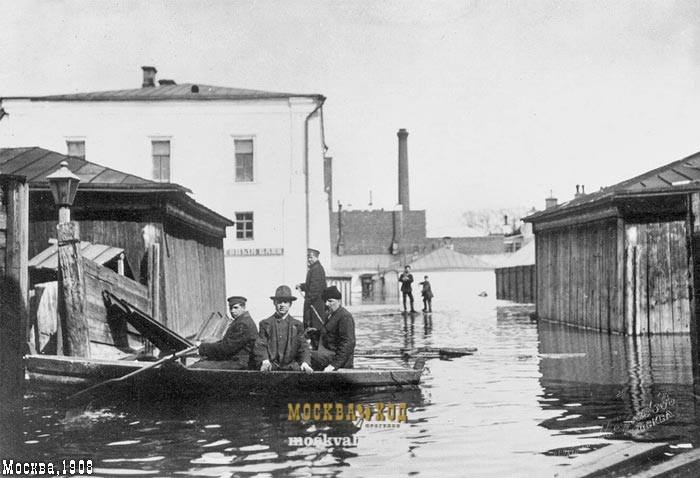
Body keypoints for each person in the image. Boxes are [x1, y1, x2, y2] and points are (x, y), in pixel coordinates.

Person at [254, 285, 313, 373]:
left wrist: (305, 362)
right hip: (271, 368)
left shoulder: (297, 325)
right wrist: (265, 360)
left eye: (285, 302)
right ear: (274, 303)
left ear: (290, 304)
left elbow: (303, 346)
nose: (282, 305)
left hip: (291, 369)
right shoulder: (266, 324)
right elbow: (261, 344)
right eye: (279, 302)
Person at [191, 296, 258, 370]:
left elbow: (226, 348)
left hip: (238, 363)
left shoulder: (242, 324)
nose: (232, 311)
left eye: (236, 308)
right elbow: (225, 343)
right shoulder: (242, 321)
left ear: (243, 308)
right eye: (230, 308)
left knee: (196, 367)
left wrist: (202, 348)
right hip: (235, 361)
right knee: (201, 363)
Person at [310, 286, 356, 372]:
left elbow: (348, 343)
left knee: (306, 355)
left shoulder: (345, 317)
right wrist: (315, 333)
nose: (327, 304)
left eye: (330, 301)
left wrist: (334, 365)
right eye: (325, 301)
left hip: (339, 362)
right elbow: (331, 336)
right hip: (328, 355)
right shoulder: (331, 315)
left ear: (339, 301)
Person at [296, 248, 326, 348]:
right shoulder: (314, 268)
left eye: (311, 257)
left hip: (315, 305)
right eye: (308, 257)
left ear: (316, 257)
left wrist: (308, 301)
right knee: (312, 329)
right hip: (313, 303)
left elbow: (315, 289)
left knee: (315, 328)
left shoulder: (316, 269)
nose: (309, 259)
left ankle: (317, 350)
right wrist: (302, 286)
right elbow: (311, 285)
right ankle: (315, 348)